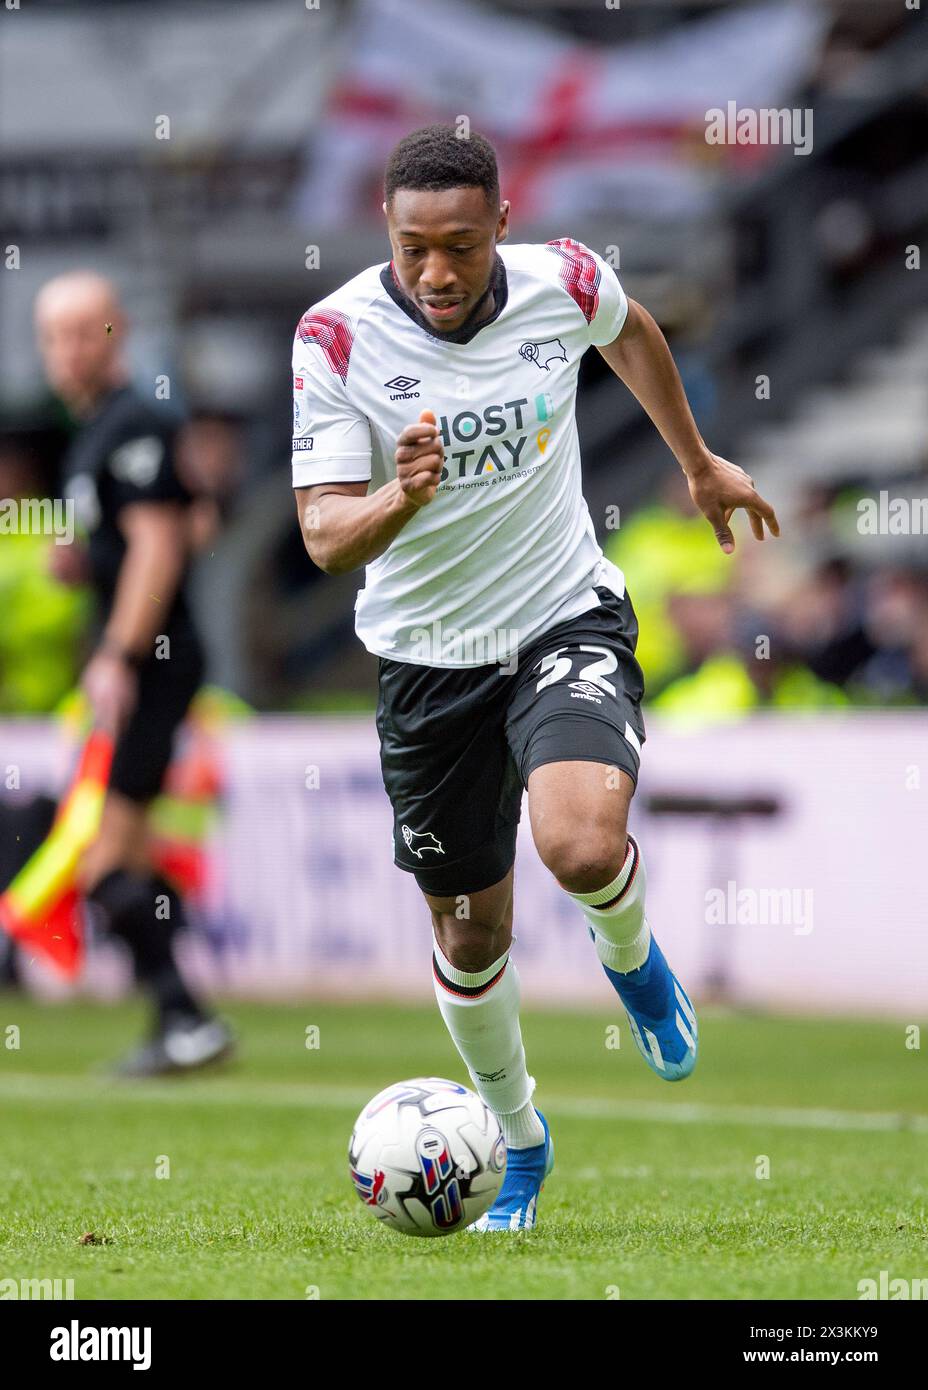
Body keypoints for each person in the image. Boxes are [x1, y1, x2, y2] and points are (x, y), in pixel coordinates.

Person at [292, 127, 779, 1230]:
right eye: (415, 247)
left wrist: (696, 463)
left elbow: (633, 330)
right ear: (387, 233)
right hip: (425, 665)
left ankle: (633, 959)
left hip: (562, 616)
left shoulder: (562, 279)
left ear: (500, 226)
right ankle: (519, 1142)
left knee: (581, 844)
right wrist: (397, 502)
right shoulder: (333, 340)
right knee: (471, 935)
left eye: (460, 245)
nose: (437, 273)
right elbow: (324, 537)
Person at [34, 271, 234, 1077]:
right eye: (56, 335)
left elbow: (160, 543)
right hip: (145, 660)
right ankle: (182, 1015)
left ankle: (186, 1020)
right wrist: (85, 562)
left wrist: (118, 654)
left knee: (104, 864)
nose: (71, 349)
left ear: (117, 334)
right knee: (128, 859)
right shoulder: (97, 434)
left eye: (88, 331)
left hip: (153, 665)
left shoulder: (133, 423)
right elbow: (191, 519)